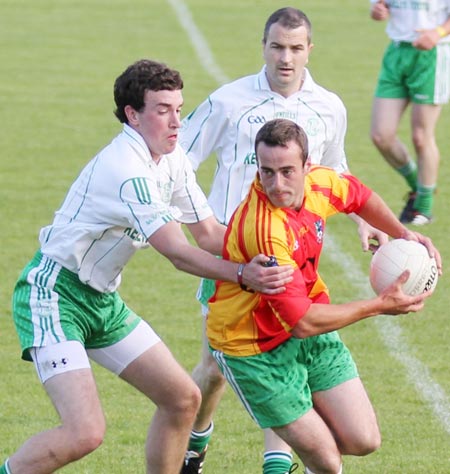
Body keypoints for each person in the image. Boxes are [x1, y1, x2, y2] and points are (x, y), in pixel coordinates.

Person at [0, 59, 293, 474]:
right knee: (85, 432)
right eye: (162, 110)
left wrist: (271, 246)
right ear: (132, 115)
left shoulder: (170, 160)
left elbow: (210, 234)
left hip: (101, 300)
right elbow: (176, 251)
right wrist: (246, 276)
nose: (177, 122)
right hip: (53, 295)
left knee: (183, 399)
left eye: (178, 108)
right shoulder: (127, 171)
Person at [178, 7, 387, 473]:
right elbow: (177, 164)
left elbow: (337, 169)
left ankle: (278, 462)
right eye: (277, 47)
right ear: (264, 48)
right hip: (236, 259)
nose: (286, 58)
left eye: (295, 48)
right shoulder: (228, 102)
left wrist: (363, 221)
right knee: (215, 368)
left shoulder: (329, 106)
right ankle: (195, 439)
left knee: (287, 341)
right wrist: (206, 228)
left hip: (294, 251)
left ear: (309, 49)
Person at [207, 118, 441, 474]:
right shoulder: (264, 229)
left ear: (307, 166)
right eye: (266, 172)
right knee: (328, 462)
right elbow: (301, 322)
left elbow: (361, 196)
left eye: (287, 171)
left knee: (363, 440)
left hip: (310, 328)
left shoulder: (321, 183)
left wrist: (402, 233)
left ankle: (303, 424)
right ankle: (298, 430)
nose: (276, 184)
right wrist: (379, 305)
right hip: (255, 348)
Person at [369, 0, 450, 225]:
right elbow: (379, 7)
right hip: (396, 52)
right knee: (381, 135)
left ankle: (423, 208)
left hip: (433, 55)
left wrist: (438, 32)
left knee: (421, 137)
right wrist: (378, 11)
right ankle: (419, 186)